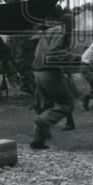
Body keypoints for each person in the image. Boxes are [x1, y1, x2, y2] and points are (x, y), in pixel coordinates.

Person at [29, 17, 76, 149]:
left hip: (37, 72)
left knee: (46, 106)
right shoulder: (59, 31)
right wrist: (72, 58)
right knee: (67, 104)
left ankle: (37, 141)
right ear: (69, 23)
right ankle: (43, 121)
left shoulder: (46, 34)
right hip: (49, 72)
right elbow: (55, 52)